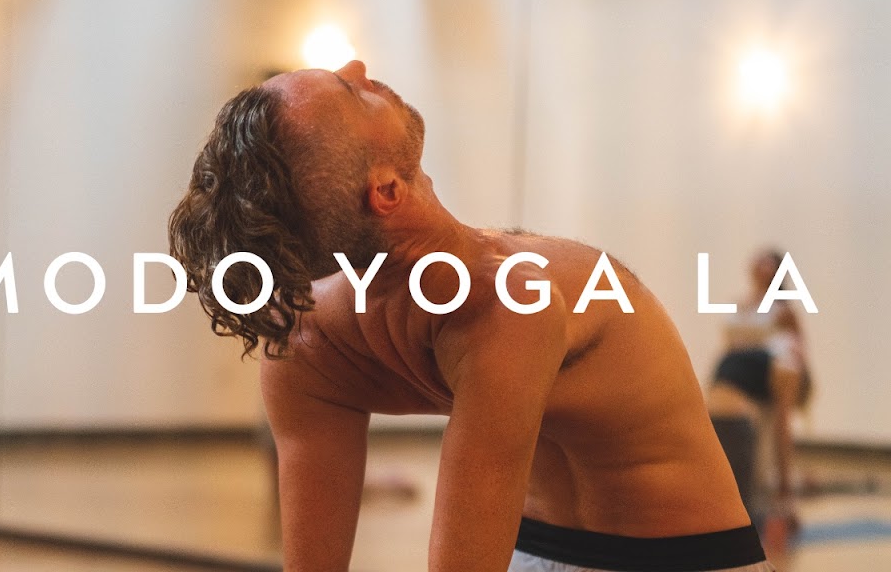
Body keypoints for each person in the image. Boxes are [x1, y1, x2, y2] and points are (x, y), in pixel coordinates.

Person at [168, 60, 773, 572]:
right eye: (351, 91)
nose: (358, 67)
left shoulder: (312, 338)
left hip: (637, 552)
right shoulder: (502, 302)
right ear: (386, 192)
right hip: (638, 554)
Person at [707, 250, 811, 553]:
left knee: (777, 436)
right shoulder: (741, 304)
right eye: (759, 260)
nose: (760, 265)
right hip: (740, 379)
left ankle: (783, 498)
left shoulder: (783, 311)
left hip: (772, 376)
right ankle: (753, 505)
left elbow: (797, 350)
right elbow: (730, 346)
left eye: (768, 261)